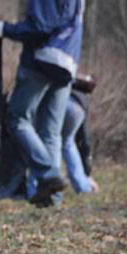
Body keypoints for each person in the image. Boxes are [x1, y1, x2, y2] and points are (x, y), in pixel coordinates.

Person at [0, 0, 85, 207]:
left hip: (40, 63)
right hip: (68, 66)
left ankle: (49, 174)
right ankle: (51, 198)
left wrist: (5, 29)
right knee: (50, 132)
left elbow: (39, 27)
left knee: (17, 118)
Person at [25, 73, 99, 203]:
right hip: (77, 111)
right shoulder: (82, 97)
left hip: (59, 106)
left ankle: (35, 188)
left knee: (45, 142)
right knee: (68, 143)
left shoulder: (58, 82)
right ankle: (83, 186)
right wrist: (87, 173)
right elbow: (83, 140)